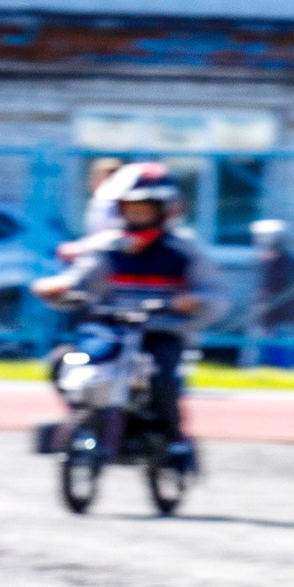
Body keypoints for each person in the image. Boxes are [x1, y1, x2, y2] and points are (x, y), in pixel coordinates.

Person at [33, 165, 216, 456]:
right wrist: (58, 288)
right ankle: (87, 417)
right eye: (131, 209)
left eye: (144, 210)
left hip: (159, 334)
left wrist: (193, 301)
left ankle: (173, 440)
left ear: (164, 211)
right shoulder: (108, 248)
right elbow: (82, 278)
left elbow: (213, 293)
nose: (137, 216)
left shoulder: (184, 250)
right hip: (112, 332)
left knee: (161, 380)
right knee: (65, 362)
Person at [249, 219, 294, 368]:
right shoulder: (267, 259)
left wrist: (266, 311)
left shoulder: (283, 261)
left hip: (281, 316)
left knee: (286, 353)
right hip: (268, 315)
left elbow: (278, 289)